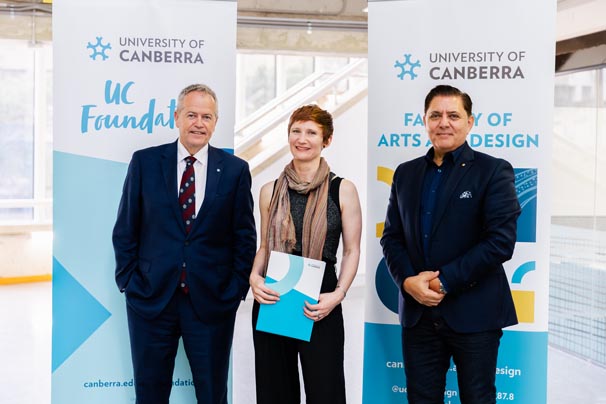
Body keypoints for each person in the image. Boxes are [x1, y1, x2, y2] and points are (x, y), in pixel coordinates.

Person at [112, 83, 256, 404]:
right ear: (176, 117)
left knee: (212, 393)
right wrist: (129, 282)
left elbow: (244, 236)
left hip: (211, 302)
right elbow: (125, 230)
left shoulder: (234, 170)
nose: (199, 123)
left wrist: (233, 291)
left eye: (207, 116)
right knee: (150, 394)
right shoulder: (145, 163)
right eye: (191, 114)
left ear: (216, 122)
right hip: (150, 300)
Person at [380, 84, 521, 404]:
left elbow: (500, 242)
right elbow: (392, 237)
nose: (444, 122)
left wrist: (444, 281)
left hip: (475, 313)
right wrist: (407, 282)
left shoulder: (493, 170)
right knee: (421, 398)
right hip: (418, 315)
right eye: (436, 115)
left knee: (477, 398)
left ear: (470, 122)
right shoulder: (406, 173)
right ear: (425, 121)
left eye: (453, 115)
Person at [249, 104, 362, 404]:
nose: (302, 138)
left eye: (311, 132)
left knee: (325, 391)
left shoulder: (343, 189)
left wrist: (338, 294)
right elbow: (264, 247)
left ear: (327, 140)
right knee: (275, 391)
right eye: (296, 131)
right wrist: (253, 277)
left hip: (320, 297)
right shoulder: (269, 191)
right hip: (275, 293)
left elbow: (352, 250)